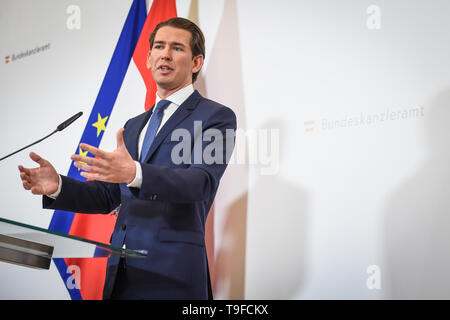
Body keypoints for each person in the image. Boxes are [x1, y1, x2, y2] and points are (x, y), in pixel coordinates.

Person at [18, 17, 236, 300]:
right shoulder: (134, 125)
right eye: (158, 46)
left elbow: (202, 182)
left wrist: (135, 172)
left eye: (177, 48)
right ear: (148, 58)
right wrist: (58, 186)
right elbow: (110, 196)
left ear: (196, 63)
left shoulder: (216, 117)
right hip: (121, 272)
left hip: (173, 274)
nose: (165, 54)